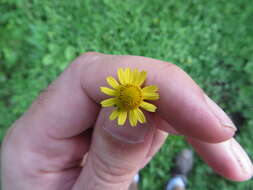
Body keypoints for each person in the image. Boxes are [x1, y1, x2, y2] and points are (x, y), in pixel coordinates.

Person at [1, 53, 252, 190]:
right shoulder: (123, 98)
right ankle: (170, 182)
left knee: (125, 153)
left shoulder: (136, 97)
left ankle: (149, 181)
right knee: (124, 143)